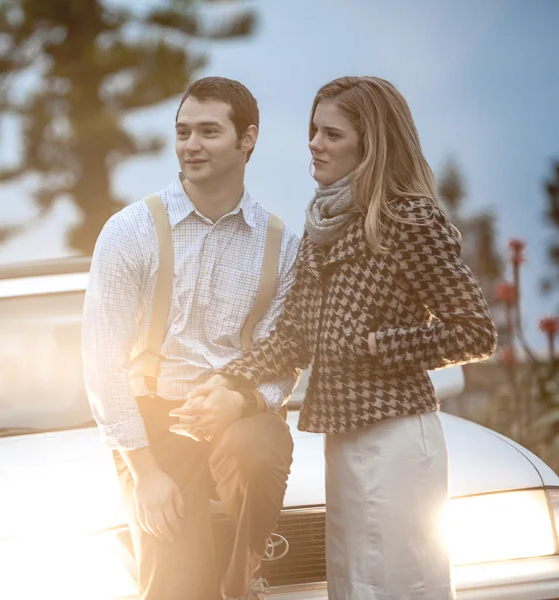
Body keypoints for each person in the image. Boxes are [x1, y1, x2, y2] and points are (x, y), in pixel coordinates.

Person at [188, 76, 498, 599]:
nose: (314, 143)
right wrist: (225, 378)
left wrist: (382, 346)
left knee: (400, 586)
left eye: (331, 134)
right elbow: (293, 338)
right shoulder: (321, 226)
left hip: (399, 437)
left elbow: (475, 331)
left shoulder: (410, 219)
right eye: (314, 130)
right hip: (343, 435)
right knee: (354, 587)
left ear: (369, 143)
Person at [82, 76, 301, 600]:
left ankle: (239, 585)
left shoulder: (282, 244)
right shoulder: (129, 231)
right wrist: (145, 474)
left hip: (238, 413)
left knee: (261, 453)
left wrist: (244, 399)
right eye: (183, 132)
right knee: (174, 578)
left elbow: (283, 360)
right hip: (155, 419)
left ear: (247, 139)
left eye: (208, 131)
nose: (191, 146)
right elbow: (101, 361)